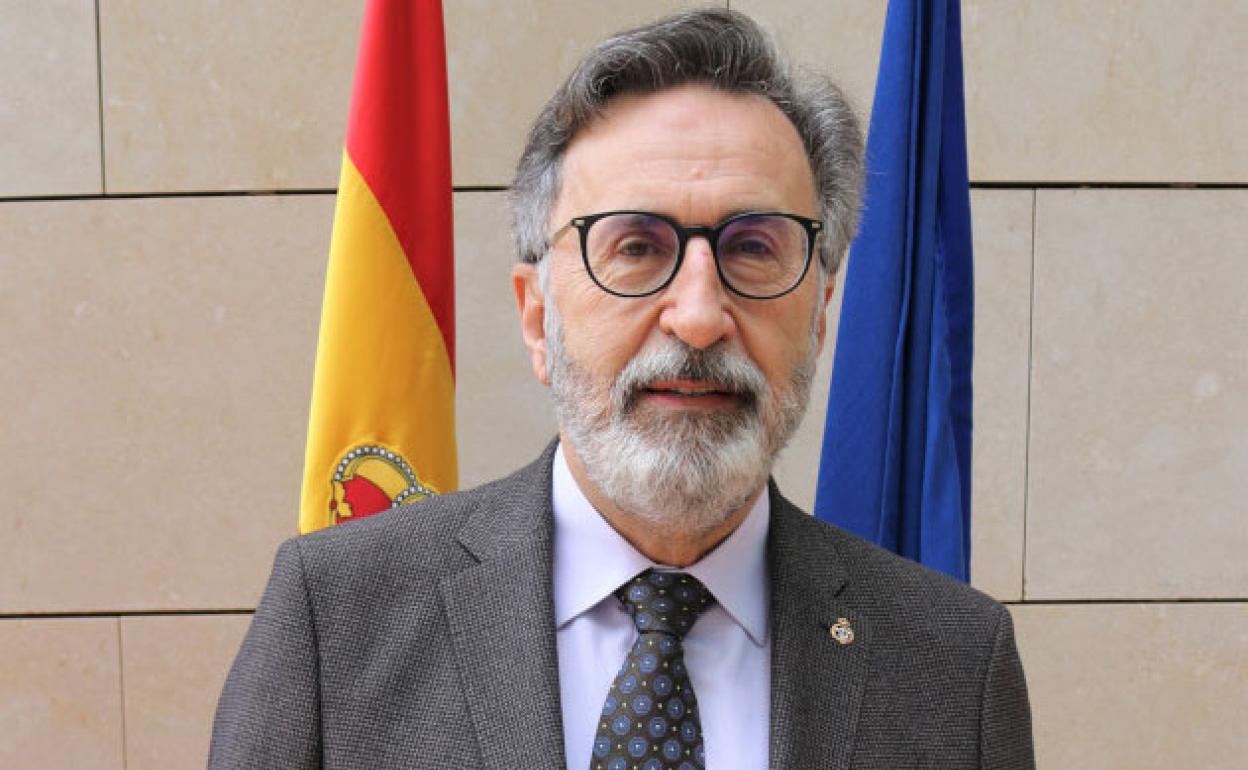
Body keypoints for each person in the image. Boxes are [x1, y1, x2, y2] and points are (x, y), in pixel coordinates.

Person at [210, 9, 1033, 769]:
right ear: (538, 318)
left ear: (819, 315)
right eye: (636, 247)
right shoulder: (335, 621)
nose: (699, 317)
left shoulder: (954, 663)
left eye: (754, 248)